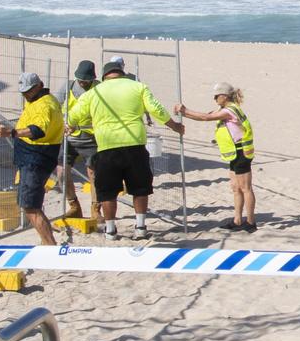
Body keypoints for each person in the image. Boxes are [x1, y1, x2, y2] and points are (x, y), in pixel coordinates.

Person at [68, 58, 184, 240]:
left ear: (105, 76)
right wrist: (174, 126)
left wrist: (73, 125)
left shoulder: (94, 92)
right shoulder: (138, 87)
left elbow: (75, 115)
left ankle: (111, 230)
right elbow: (156, 109)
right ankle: (140, 227)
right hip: (135, 144)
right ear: (122, 72)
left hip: (107, 146)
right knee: (140, 188)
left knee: (107, 192)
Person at [175, 82, 257, 233]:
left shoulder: (230, 110)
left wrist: (185, 110)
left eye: (216, 96)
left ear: (224, 96)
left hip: (241, 152)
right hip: (234, 153)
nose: (214, 99)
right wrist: (184, 113)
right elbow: (205, 115)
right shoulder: (225, 109)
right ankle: (237, 220)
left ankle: (251, 222)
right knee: (235, 188)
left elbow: (206, 117)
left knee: (245, 188)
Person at [0, 72, 62, 246]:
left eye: (29, 91)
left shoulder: (45, 105)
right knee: (31, 204)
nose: (26, 95)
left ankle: (50, 246)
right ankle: (47, 242)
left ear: (39, 85)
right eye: (23, 92)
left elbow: (37, 130)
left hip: (36, 160)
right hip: (30, 160)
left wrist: (12, 132)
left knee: (31, 206)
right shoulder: (35, 100)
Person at [54, 60, 98, 220]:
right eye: (80, 80)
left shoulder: (98, 88)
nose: (83, 82)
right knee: (61, 171)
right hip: (69, 137)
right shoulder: (69, 86)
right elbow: (54, 105)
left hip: (92, 137)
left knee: (94, 173)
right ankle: (74, 205)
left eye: (86, 80)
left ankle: (96, 208)